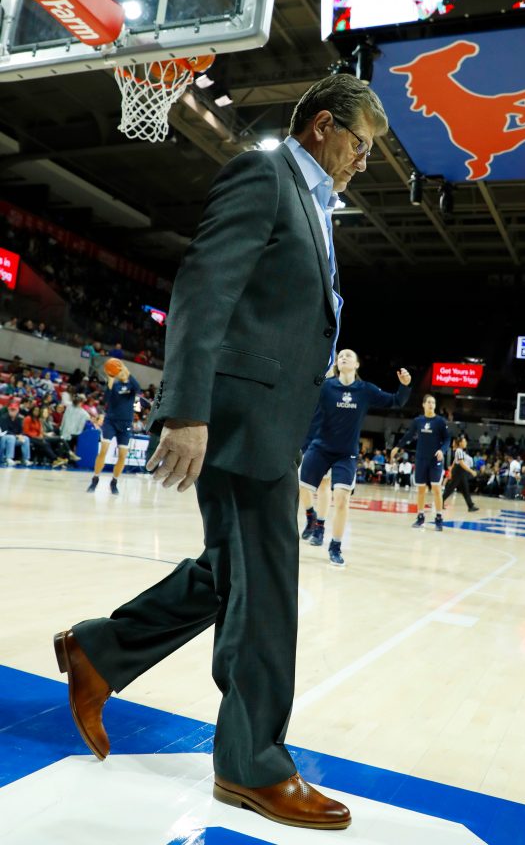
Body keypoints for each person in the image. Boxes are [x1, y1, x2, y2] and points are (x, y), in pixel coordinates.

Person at [53, 73, 388, 831]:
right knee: (266, 590)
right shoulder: (265, 173)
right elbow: (205, 282)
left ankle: (98, 654)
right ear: (323, 126)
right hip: (237, 416)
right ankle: (251, 766)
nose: (362, 162)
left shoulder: (312, 200)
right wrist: (186, 409)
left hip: (269, 416)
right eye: (359, 146)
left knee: (232, 571)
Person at [299, 347, 411, 565]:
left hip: (346, 454)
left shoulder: (365, 390)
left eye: (348, 355)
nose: (343, 357)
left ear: (357, 364)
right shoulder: (325, 387)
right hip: (320, 448)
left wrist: (405, 386)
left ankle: (335, 546)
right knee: (300, 488)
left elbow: (396, 401)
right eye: (340, 355)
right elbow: (302, 399)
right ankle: (313, 518)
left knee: (341, 499)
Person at [391, 394, 450, 531]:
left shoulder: (440, 421)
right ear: (423, 404)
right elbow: (408, 436)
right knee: (421, 490)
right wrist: (397, 446)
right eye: (429, 402)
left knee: (436, 489)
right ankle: (420, 516)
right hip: (421, 459)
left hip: (435, 460)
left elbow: (447, 439)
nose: (431, 405)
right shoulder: (418, 421)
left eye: (433, 403)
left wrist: (442, 450)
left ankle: (439, 518)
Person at [86, 361, 141, 496]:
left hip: (125, 424)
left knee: (122, 455)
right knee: (103, 450)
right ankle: (95, 479)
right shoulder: (114, 385)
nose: (120, 372)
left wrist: (128, 372)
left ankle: (114, 482)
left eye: (122, 370)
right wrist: (110, 381)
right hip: (111, 421)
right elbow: (106, 399)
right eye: (119, 371)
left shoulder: (131, 385)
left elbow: (138, 389)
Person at [442, 434, 480, 513]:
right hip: (459, 471)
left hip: (460, 471)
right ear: (460, 443)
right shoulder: (459, 451)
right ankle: (440, 501)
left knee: (465, 489)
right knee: (451, 488)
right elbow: (461, 463)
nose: (466, 443)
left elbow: (454, 462)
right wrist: (471, 471)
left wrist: (450, 470)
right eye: (464, 441)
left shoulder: (460, 451)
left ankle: (470, 506)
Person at [0, 402, 32, 466]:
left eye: (14, 410)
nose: (12, 411)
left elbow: (21, 430)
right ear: (8, 410)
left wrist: (21, 435)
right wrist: (17, 436)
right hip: (4, 438)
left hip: (15, 438)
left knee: (26, 439)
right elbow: (4, 431)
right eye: (11, 410)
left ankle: (25, 459)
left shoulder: (19, 419)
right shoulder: (3, 418)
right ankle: (9, 458)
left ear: (17, 410)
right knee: (11, 437)